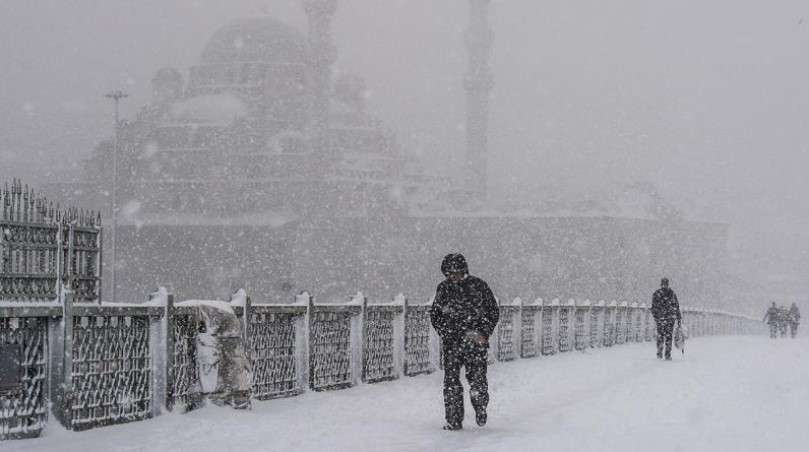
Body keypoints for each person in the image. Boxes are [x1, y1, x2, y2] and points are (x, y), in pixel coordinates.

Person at [430, 253, 499, 431]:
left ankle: (480, 406)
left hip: (475, 343)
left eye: (456, 272)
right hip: (452, 343)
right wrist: (446, 332)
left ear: (464, 271)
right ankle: (453, 420)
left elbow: (492, 311)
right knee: (451, 382)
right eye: (449, 273)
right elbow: (435, 315)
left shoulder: (479, 286)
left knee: (477, 380)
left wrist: (483, 333)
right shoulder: (443, 289)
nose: (453, 276)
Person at [651, 277, 682, 360]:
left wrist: (656, 317)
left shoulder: (657, 294)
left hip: (661, 319)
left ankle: (659, 352)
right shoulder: (672, 294)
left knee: (660, 335)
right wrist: (678, 319)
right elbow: (676, 307)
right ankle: (667, 354)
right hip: (670, 319)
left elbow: (653, 307)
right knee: (668, 337)